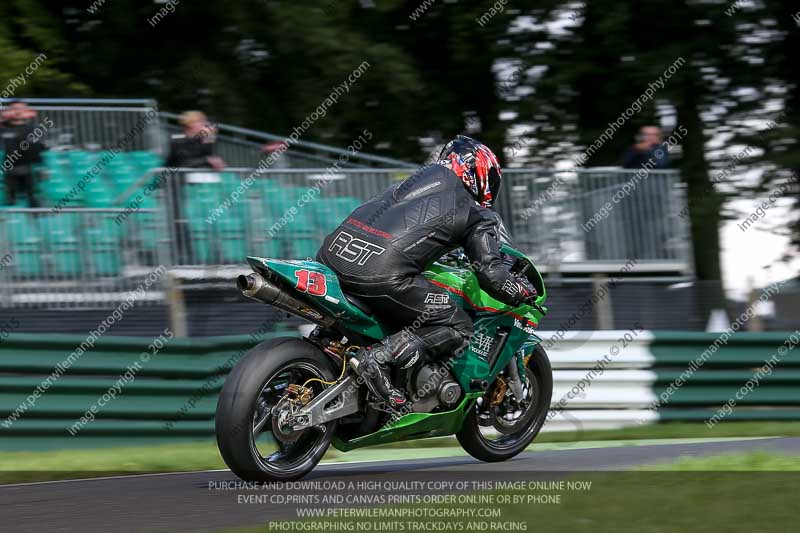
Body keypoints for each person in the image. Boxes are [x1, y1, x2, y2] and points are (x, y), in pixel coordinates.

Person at [316, 135, 537, 408]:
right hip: (380, 276)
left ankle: (323, 344)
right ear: (479, 174)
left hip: (331, 258)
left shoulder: (411, 184)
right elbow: (491, 274)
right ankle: (378, 359)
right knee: (459, 325)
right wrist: (521, 290)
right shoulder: (474, 212)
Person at [2, 100, 45, 207]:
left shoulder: (33, 129)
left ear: (26, 111)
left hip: (29, 170)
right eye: (14, 109)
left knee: (33, 199)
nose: (17, 111)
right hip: (7, 171)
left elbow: (39, 150)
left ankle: (36, 216)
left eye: (21, 108)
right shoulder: (2, 128)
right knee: (10, 201)